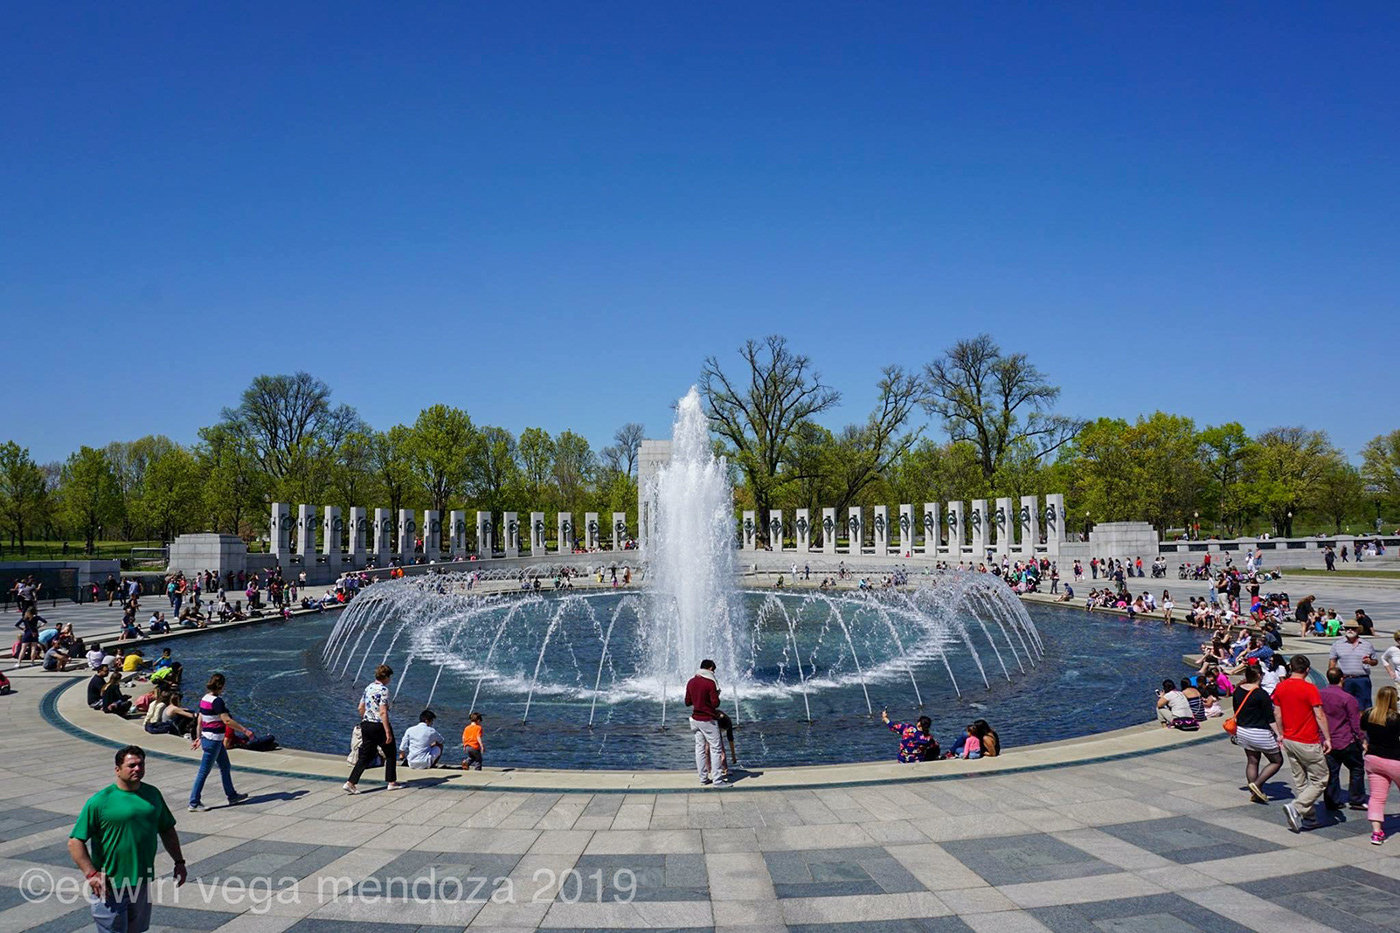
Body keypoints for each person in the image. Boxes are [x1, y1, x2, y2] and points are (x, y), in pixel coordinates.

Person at [69, 746, 186, 933]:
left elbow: (167, 830)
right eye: (131, 765)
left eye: (141, 765)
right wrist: (91, 874)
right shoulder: (101, 800)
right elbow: (75, 841)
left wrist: (179, 862)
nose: (137, 769)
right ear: (118, 770)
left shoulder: (152, 795)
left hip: (141, 880)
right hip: (110, 884)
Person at [1274, 655, 1333, 832]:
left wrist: (1281, 734)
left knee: (1300, 780)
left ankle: (1310, 818)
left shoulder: (1280, 687)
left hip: (1289, 739)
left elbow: (1277, 713)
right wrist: (1328, 738)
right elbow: (1319, 715)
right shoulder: (1310, 688)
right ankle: (1297, 807)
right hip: (1307, 740)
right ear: (1307, 670)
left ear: (1290, 668)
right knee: (1321, 779)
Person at [188, 673, 253, 812]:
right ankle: (194, 802)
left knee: (225, 766)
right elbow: (227, 720)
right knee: (203, 772)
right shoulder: (217, 701)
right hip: (213, 741)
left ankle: (232, 796)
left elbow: (200, 719)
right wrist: (245, 731)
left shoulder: (204, 698)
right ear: (221, 686)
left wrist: (198, 737)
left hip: (209, 738)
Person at [345, 664, 403, 793]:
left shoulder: (368, 688)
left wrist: (366, 718)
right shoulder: (384, 690)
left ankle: (351, 782)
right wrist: (388, 732)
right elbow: (383, 712)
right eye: (390, 677)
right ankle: (391, 782)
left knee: (366, 755)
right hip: (379, 725)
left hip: (366, 724)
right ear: (386, 677)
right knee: (390, 753)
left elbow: (360, 707)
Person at [1233, 662, 1284, 803]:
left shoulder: (1237, 690)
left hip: (1243, 730)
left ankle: (1255, 793)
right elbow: (1270, 718)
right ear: (1258, 676)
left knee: (1252, 760)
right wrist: (1279, 734)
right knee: (1277, 760)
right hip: (1260, 732)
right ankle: (1257, 784)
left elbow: (1236, 711)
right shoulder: (1261, 694)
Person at [1320, 668, 1367, 812]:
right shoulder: (1348, 698)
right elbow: (1355, 722)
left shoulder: (1319, 694)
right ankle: (1357, 799)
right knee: (1357, 768)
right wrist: (1362, 739)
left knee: (1332, 772)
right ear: (1342, 679)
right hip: (1346, 740)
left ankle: (1332, 800)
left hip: (1327, 740)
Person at [1361, 685, 1400, 845]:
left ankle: (1377, 833)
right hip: (1395, 760)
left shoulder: (1369, 714)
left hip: (1373, 759)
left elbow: (1363, 731)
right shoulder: (1396, 718)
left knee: (1377, 797)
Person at [684, 659, 727, 786]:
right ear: (709, 668)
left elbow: (687, 702)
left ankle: (703, 778)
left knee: (700, 749)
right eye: (713, 670)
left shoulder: (691, 682)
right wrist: (716, 695)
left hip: (695, 720)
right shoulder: (710, 683)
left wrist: (698, 700)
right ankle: (718, 780)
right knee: (716, 749)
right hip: (708, 720)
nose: (714, 672)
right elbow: (715, 703)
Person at [1329, 622, 1379, 708]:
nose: (1350, 630)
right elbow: (1332, 661)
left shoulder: (1367, 644)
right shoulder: (1337, 644)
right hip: (1345, 680)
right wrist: (1332, 679)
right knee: (1344, 705)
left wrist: (1370, 661)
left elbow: (1375, 661)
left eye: (1353, 628)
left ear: (1358, 629)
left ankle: (1362, 721)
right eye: (1347, 628)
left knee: (1364, 706)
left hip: (1362, 679)